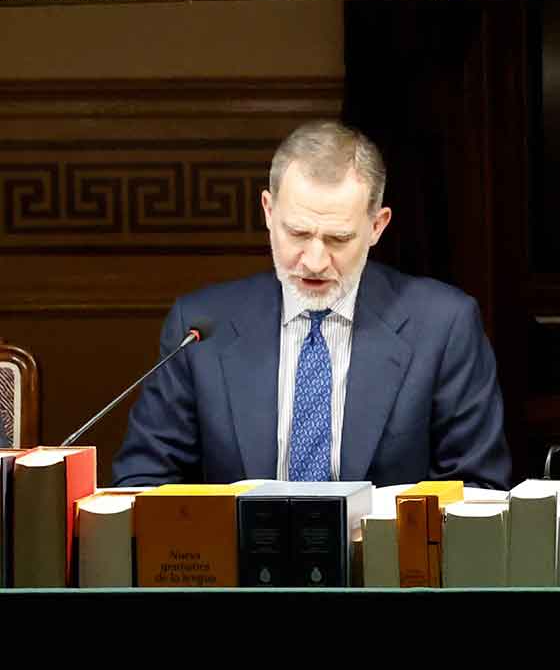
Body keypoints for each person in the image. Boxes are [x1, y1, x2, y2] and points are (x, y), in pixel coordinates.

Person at [113, 120, 511, 489]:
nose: (315, 261)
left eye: (338, 239)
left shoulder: (443, 326)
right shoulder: (198, 329)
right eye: (298, 233)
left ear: (377, 226)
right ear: (269, 212)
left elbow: (476, 493)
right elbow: (144, 482)